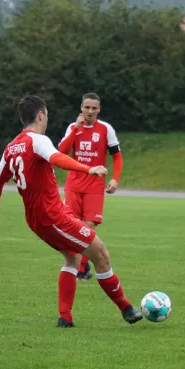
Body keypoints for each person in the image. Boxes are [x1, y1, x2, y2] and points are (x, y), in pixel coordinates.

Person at [0, 95, 142, 328]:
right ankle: (126, 308)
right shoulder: (37, 140)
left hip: (38, 219)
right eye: (46, 115)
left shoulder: (11, 147)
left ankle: (65, 318)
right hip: (53, 216)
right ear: (40, 115)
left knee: (73, 257)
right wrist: (88, 169)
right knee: (101, 255)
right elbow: (58, 158)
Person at [58, 93, 123, 280]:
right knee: (73, 225)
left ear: (99, 109)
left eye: (94, 108)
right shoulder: (73, 127)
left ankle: (83, 266)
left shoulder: (105, 129)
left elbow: (116, 156)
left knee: (88, 225)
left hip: (95, 185)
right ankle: (81, 268)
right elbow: (62, 152)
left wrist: (115, 179)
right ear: (81, 108)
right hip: (74, 184)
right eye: (87, 107)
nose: (90, 111)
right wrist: (75, 129)